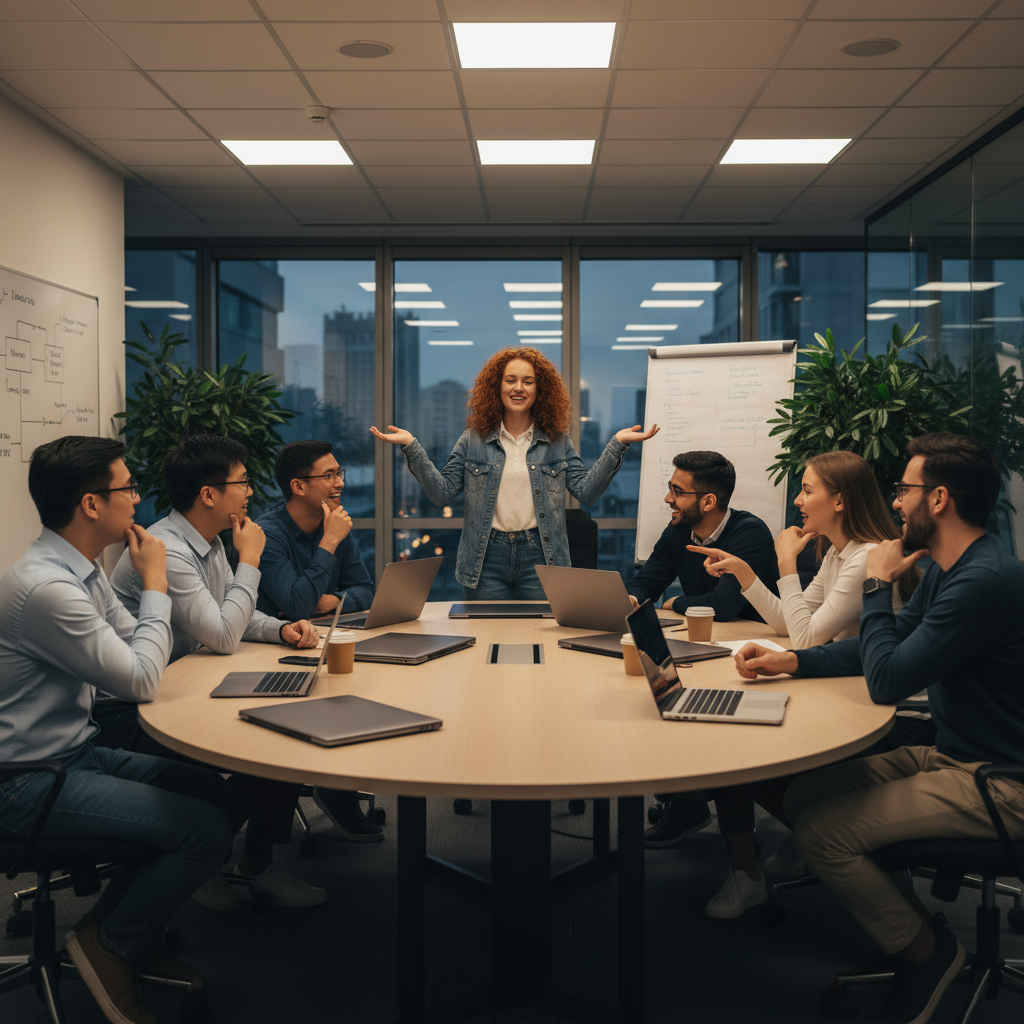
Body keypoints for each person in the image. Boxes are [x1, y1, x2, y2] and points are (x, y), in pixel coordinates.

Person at [737, 433, 1024, 1024]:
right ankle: (908, 925)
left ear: (938, 499)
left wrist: (875, 583)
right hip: (953, 754)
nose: (895, 503)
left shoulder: (982, 582)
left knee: (821, 835)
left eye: (905, 491)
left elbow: (887, 681)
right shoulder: (952, 567)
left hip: (1002, 782)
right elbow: (877, 649)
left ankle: (928, 952)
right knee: (804, 793)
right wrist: (796, 660)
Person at [0, 436, 232, 1024]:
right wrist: (156, 582)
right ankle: (111, 946)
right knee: (204, 832)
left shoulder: (80, 571)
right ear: (91, 505)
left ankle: (110, 930)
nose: (138, 498)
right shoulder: (48, 589)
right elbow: (142, 677)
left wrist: (145, 633)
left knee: (216, 794)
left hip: (76, 751)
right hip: (25, 782)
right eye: (127, 488)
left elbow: (136, 645)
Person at [688, 450, 929, 919]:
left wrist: (784, 562)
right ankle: (795, 839)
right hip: (850, 693)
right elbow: (791, 625)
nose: (798, 500)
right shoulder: (841, 553)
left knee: (739, 752)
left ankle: (780, 852)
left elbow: (802, 638)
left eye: (806, 489)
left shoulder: (864, 558)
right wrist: (745, 573)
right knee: (740, 739)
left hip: (892, 717)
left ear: (839, 501)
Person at [111, 434, 327, 911]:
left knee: (286, 730)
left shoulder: (206, 544)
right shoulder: (167, 548)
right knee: (266, 741)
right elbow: (223, 634)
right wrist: (249, 558)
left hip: (187, 687)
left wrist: (282, 629)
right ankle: (196, 861)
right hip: (140, 709)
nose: (250, 492)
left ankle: (255, 861)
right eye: (242, 481)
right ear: (208, 494)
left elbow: (238, 616)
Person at [371, 346, 658, 599]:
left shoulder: (557, 441)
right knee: (485, 645)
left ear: (539, 389)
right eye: (511, 380)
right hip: (485, 560)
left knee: (543, 646)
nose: (518, 387)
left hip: (542, 557)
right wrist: (411, 447)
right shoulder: (473, 440)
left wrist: (616, 445)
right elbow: (441, 493)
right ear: (497, 386)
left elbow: (587, 491)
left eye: (527, 381)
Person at [625, 450, 780, 849]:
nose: (668, 499)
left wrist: (673, 602)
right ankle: (687, 803)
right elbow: (648, 582)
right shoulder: (678, 531)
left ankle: (701, 804)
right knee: (653, 697)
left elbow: (725, 605)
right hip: (701, 646)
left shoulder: (750, 533)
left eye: (677, 491)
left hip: (751, 656)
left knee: (703, 721)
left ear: (707, 502)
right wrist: (631, 598)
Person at [256, 438, 381, 841]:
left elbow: (366, 588)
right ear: (298, 486)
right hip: (269, 653)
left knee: (366, 694)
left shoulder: (335, 523)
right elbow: (293, 604)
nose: (339, 483)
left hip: (323, 641)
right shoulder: (267, 533)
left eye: (339, 473)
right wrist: (328, 543)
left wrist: (333, 599)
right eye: (328, 475)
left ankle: (336, 787)